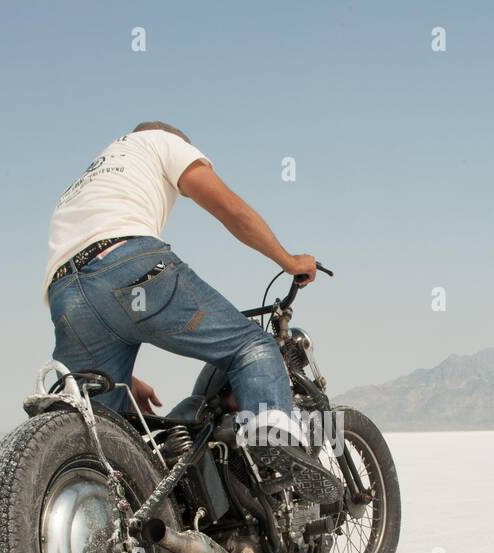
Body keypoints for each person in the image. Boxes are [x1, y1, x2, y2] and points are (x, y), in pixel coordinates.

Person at [43, 121, 340, 502]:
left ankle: (117, 516)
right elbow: (230, 209)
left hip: (67, 294)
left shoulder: (85, 182)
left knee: (104, 439)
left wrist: (121, 377)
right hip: (133, 266)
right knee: (252, 347)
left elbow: (95, 291)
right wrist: (288, 260)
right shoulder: (162, 142)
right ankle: (274, 454)